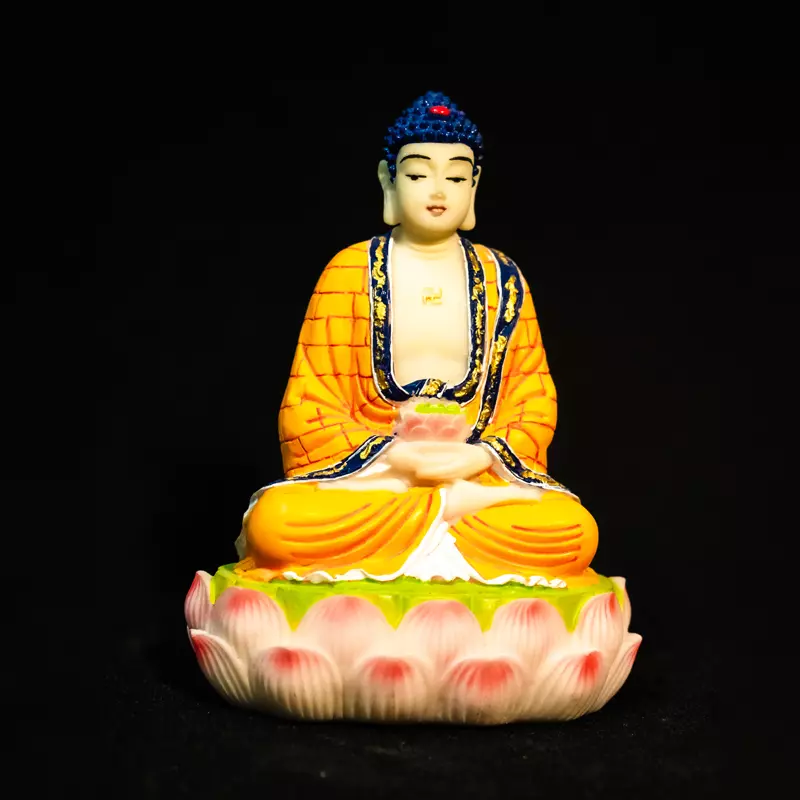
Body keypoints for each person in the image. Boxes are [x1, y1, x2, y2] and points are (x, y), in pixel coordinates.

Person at [235, 92, 600, 587]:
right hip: (376, 478)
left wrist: (479, 456)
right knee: (277, 525)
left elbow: (533, 401)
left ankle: (448, 511)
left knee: (574, 531)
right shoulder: (349, 272)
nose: (438, 190)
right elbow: (307, 405)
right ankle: (447, 512)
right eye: (417, 174)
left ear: (474, 185)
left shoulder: (503, 278)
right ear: (388, 181)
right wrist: (395, 458)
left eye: (456, 177)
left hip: (475, 474)